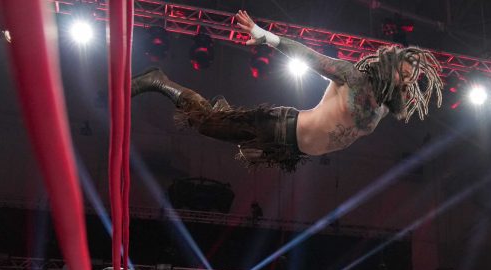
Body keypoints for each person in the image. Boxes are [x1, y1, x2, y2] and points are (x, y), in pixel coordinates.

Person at [131, 10, 443, 172]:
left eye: (410, 79)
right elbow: (309, 57)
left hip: (289, 150)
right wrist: (266, 37)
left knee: (226, 132)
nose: (406, 82)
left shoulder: (384, 108)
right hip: (281, 128)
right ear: (388, 66)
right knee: (204, 124)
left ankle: (222, 110)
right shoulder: (352, 76)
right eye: (403, 74)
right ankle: (158, 80)